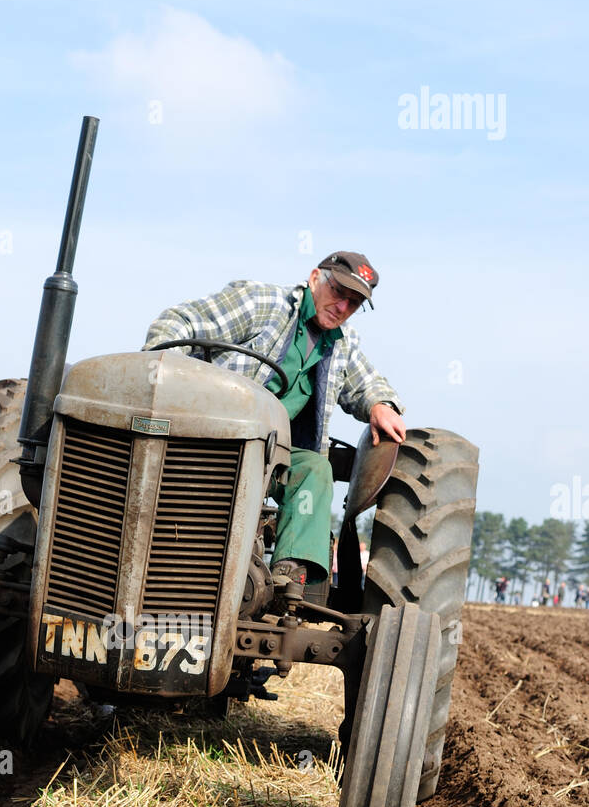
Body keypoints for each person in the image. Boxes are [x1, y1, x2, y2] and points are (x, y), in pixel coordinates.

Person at [143, 251, 405, 592]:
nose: (343, 307)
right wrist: (163, 375)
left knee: (315, 468)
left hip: (272, 456)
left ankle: (287, 577)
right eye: (339, 293)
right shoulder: (263, 303)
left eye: (353, 303)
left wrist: (381, 404)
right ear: (315, 278)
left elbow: (367, 384)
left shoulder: (342, 343)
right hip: (213, 440)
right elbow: (181, 322)